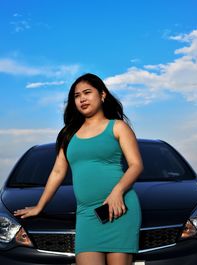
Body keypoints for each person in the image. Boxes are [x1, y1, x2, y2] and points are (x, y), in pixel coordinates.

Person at [13, 73, 143, 265]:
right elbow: (57, 172)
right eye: (76, 95)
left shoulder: (117, 127)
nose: (82, 98)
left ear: (102, 95)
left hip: (118, 208)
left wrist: (117, 191)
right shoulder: (68, 134)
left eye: (87, 92)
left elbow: (136, 165)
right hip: (87, 214)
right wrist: (40, 206)